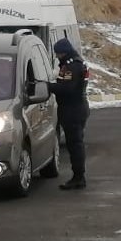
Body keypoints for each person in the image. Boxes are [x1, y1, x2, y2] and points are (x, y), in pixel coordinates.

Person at [48, 38, 89, 190]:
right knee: (75, 144)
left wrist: (48, 87)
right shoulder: (75, 63)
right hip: (76, 107)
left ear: (63, 52)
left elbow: (67, 88)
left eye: (58, 53)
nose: (57, 56)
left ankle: (79, 177)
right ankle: (78, 176)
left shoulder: (71, 66)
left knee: (75, 144)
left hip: (73, 109)